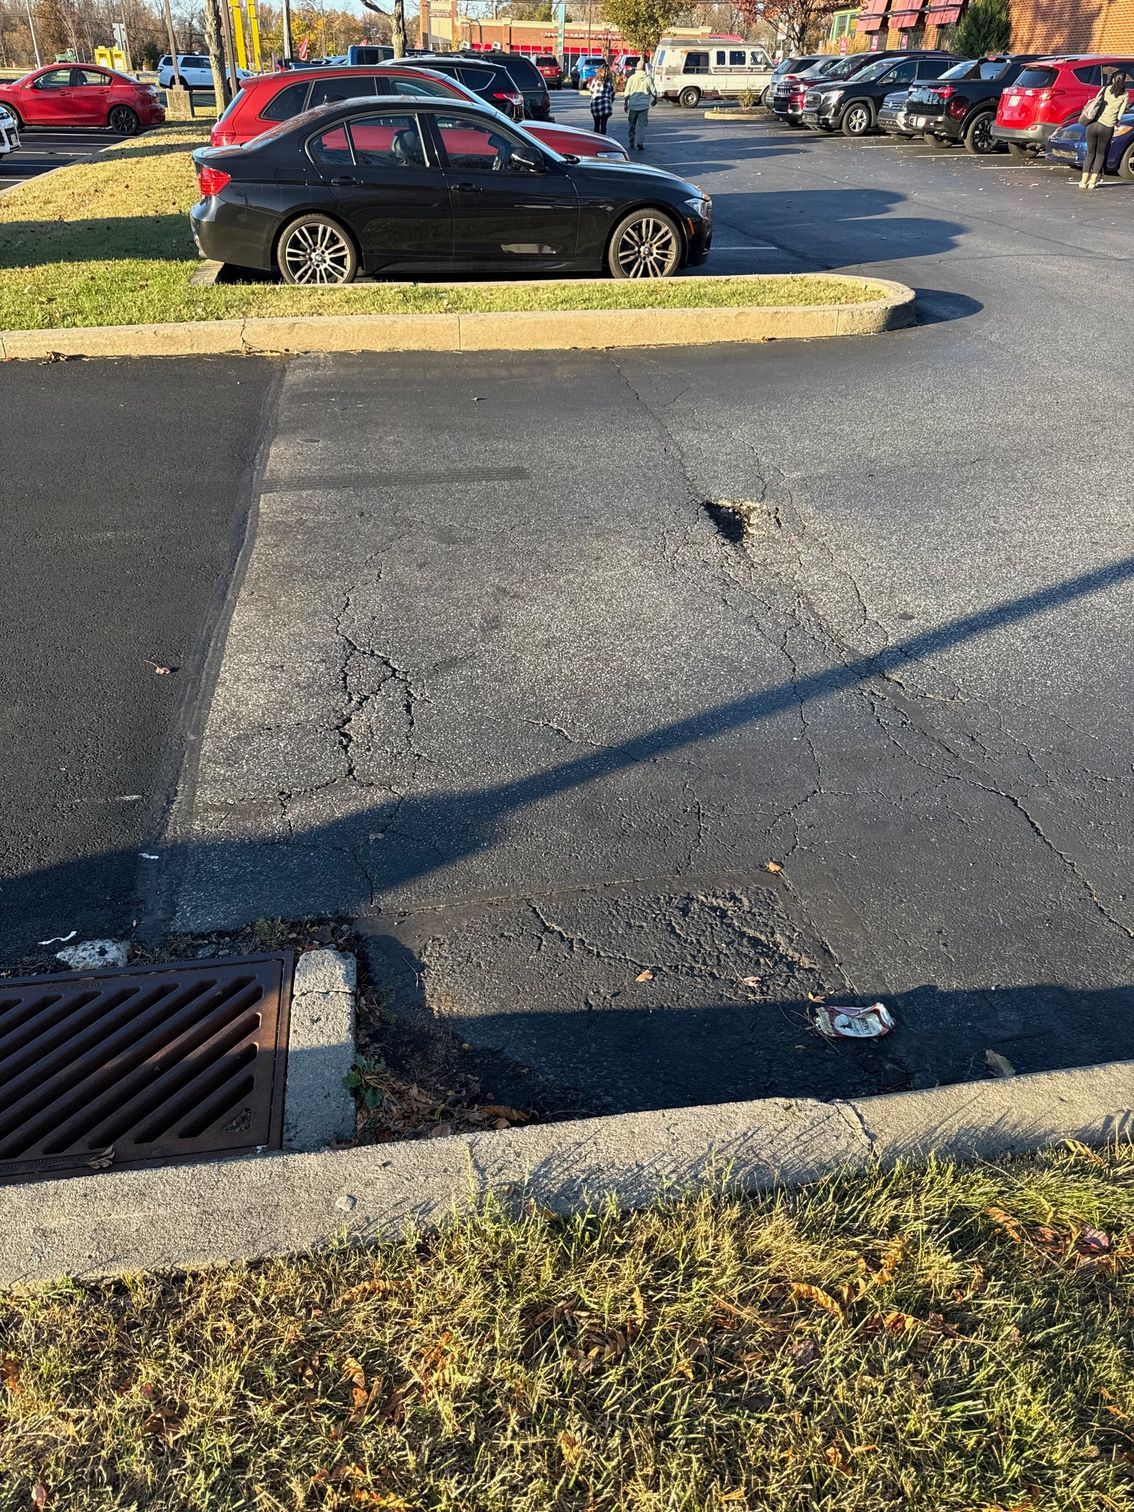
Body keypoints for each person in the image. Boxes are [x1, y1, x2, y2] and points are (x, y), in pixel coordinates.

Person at [1080, 70, 1130, 189]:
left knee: (1090, 153)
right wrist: (1116, 121)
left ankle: (1083, 181)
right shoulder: (1125, 95)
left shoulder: (1104, 89)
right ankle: (1092, 181)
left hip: (1093, 124)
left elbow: (1095, 102)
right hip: (1107, 127)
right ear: (1124, 82)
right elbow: (1120, 114)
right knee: (1100, 154)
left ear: (1113, 79)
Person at [623, 57, 656, 152]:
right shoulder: (648, 78)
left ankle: (631, 141)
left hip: (633, 104)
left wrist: (626, 103)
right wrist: (655, 99)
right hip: (644, 105)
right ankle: (640, 142)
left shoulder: (632, 78)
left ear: (637, 69)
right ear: (644, 69)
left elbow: (627, 92)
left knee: (631, 124)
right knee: (641, 125)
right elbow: (653, 90)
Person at [589, 62, 614, 135]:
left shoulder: (595, 80)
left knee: (596, 124)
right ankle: (603, 139)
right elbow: (612, 93)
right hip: (605, 104)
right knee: (603, 124)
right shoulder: (609, 82)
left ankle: (596, 140)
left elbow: (591, 90)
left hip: (595, 104)